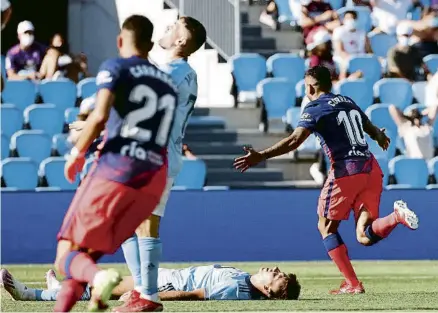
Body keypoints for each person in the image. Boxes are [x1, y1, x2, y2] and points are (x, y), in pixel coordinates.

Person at [234, 66, 419, 294]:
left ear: (310, 86)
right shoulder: (346, 101)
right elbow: (368, 126)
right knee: (364, 235)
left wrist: (261, 155)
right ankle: (396, 216)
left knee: (326, 226)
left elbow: (294, 140)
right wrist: (380, 136)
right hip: (371, 169)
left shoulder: (314, 108)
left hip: (346, 172)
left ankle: (352, 284)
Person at [52, 15, 178, 312]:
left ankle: (99, 278)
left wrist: (77, 155)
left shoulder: (115, 66)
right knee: (83, 257)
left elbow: (98, 117)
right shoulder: (168, 84)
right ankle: (86, 290)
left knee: (64, 257)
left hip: (116, 170)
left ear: (121, 40)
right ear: (150, 45)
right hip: (152, 180)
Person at [116, 16, 207, 313]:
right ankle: (142, 291)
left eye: (173, 28)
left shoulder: (174, 71)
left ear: (182, 41)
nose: (166, 29)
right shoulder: (183, 72)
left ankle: (149, 296)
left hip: (158, 155)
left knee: (146, 223)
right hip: (158, 153)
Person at [0, 265, 301, 302]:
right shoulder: (244, 277)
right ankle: (55, 288)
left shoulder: (238, 289)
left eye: (276, 276)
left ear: (267, 290)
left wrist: (146, 296)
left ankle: (30, 295)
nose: (274, 269)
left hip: (169, 283)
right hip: (171, 274)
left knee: (103, 286)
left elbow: (194, 294)